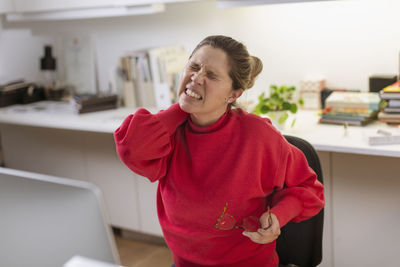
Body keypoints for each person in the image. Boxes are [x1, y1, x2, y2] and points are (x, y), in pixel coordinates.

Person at [114, 35, 324, 267]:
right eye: (193, 67)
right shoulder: (168, 133)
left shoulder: (258, 136)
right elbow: (131, 148)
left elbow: (309, 188)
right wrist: (183, 107)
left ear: (234, 95)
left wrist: (279, 215)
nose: (196, 77)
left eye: (211, 75)